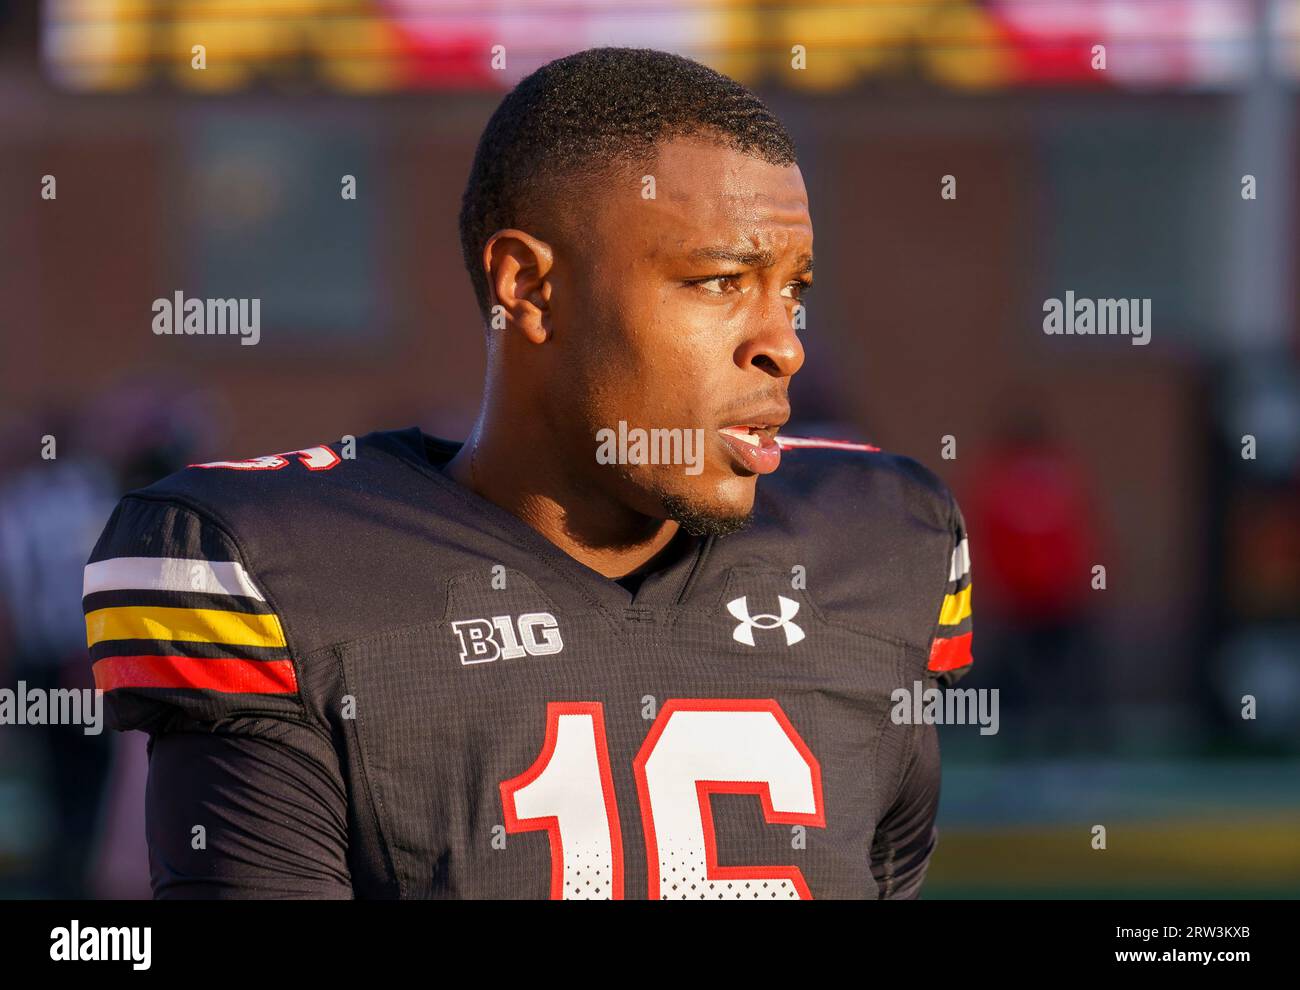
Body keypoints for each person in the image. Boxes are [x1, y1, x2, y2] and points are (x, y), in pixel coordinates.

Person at [83, 47, 974, 899]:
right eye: (719, 281)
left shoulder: (884, 540)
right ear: (530, 287)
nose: (782, 343)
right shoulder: (274, 565)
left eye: (795, 290)